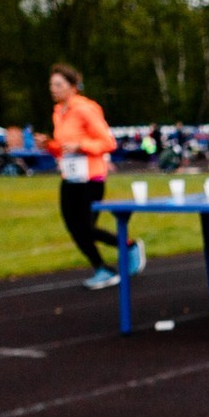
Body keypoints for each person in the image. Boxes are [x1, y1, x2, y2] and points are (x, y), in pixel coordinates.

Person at [40, 63, 123, 289]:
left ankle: (126, 246)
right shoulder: (59, 112)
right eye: (51, 85)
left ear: (73, 87)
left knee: (85, 227)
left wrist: (81, 145)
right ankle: (103, 268)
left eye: (58, 85)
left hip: (91, 178)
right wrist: (49, 145)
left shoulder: (85, 109)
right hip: (70, 177)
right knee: (73, 227)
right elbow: (65, 148)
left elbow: (108, 142)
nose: (53, 89)